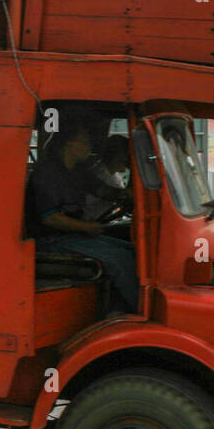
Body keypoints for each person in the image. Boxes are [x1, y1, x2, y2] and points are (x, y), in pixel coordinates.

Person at [30, 117, 139, 315]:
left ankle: (118, 307)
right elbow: (50, 218)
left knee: (131, 250)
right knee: (119, 259)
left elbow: (101, 190)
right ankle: (138, 311)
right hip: (49, 239)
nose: (90, 146)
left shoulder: (77, 171)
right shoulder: (47, 173)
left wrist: (124, 195)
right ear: (69, 144)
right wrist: (86, 228)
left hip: (72, 235)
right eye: (85, 141)